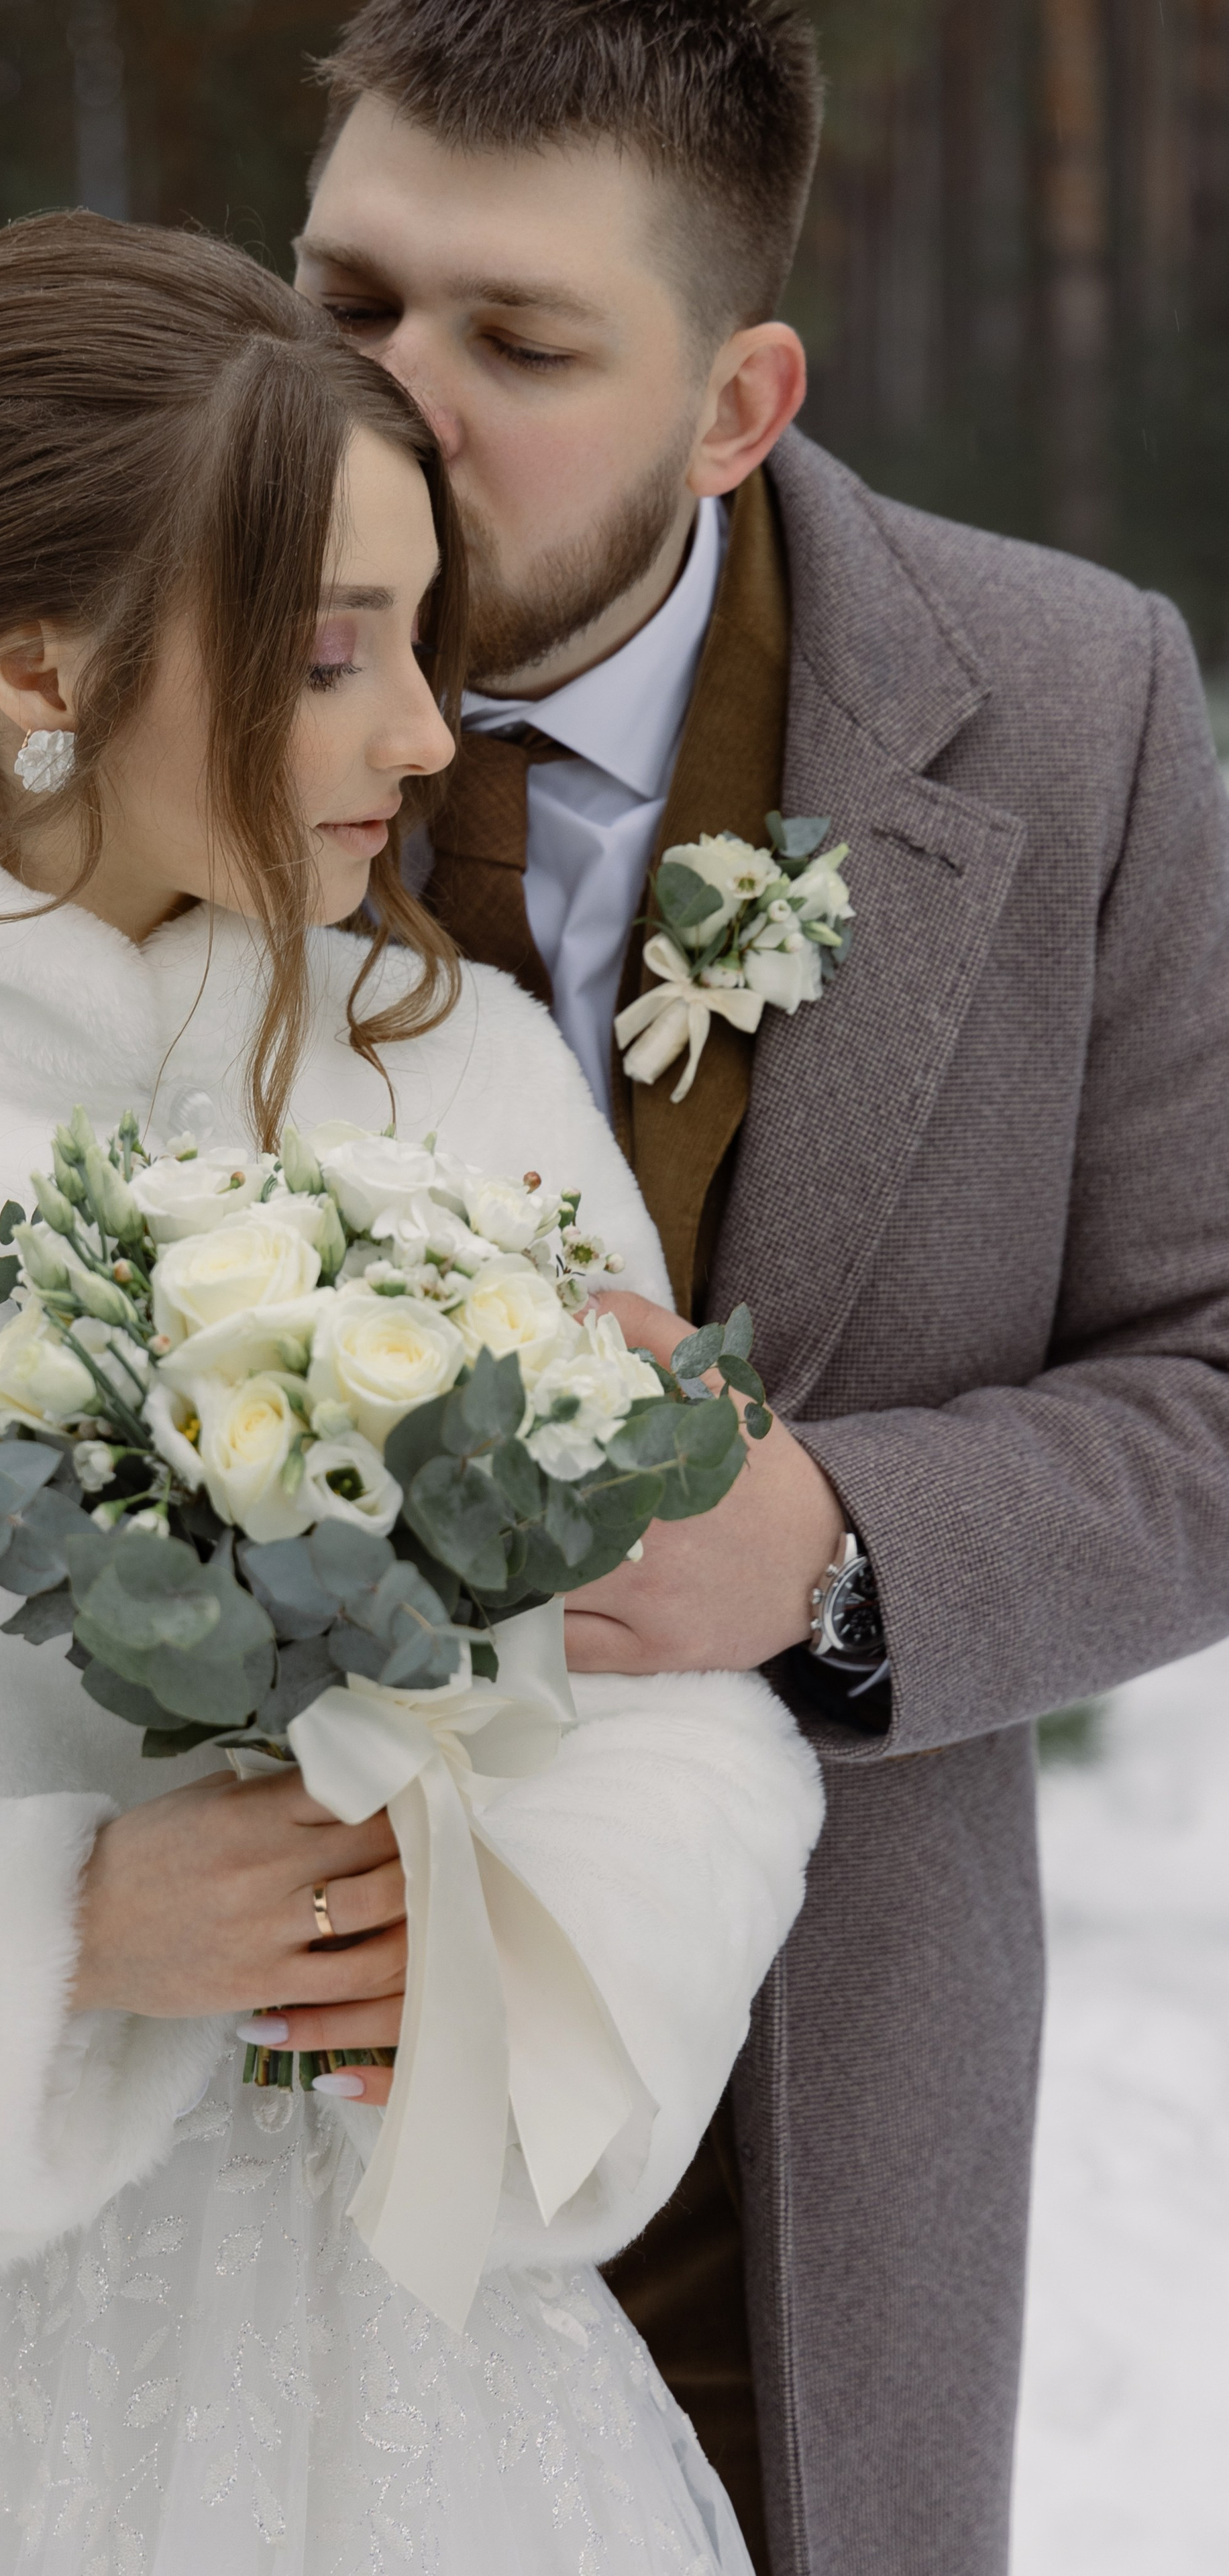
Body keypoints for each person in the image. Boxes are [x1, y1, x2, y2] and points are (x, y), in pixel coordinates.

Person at [0, 212, 825, 2573]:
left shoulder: (483, 1087)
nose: (428, 735)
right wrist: (63, 1923)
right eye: (337, 656)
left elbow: (679, 1700)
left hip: (424, 2414)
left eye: (425, 642)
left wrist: (510, 1955)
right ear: (39, 663)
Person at [271, 6, 1229, 2575]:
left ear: (737, 398)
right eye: (344, 296)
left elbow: (1214, 1382)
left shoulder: (1074, 709)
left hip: (797, 2148)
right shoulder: (63, 664)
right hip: (190, 2145)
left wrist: (830, 1550)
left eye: (521, 340)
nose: (385, 400)